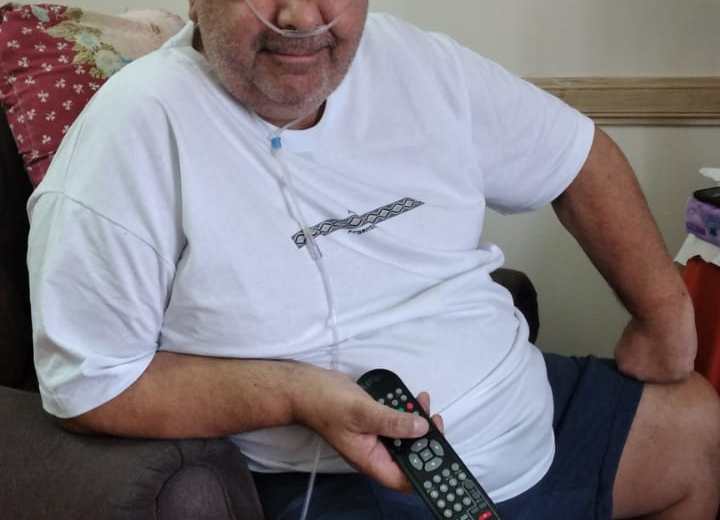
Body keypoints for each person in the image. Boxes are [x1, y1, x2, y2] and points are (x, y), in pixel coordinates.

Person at [27, 1, 720, 518]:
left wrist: (664, 315)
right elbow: (89, 382)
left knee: (696, 425)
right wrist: (293, 394)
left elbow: (578, 158)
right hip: (345, 483)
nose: (301, 17)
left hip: (527, 413)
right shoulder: (134, 130)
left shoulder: (418, 62)